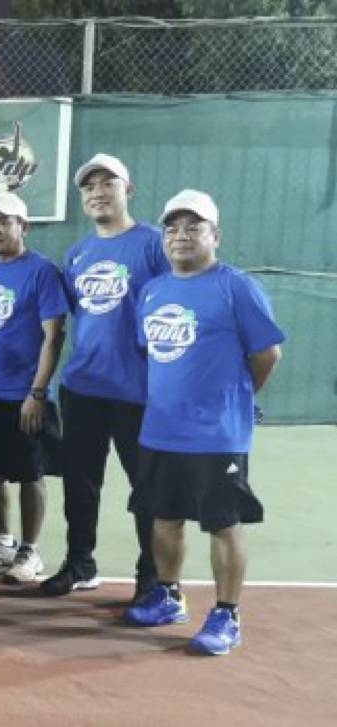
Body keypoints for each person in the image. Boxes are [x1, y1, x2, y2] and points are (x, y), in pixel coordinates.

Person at [124, 190, 284, 656]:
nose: (180, 236)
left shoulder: (236, 286)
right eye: (172, 228)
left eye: (193, 227)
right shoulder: (153, 290)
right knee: (163, 518)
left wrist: (236, 399)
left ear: (215, 235)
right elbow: (150, 353)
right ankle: (168, 596)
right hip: (160, 430)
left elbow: (267, 353)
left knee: (223, 523)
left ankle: (226, 614)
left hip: (216, 436)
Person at [42, 154, 170, 601]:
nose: (97, 192)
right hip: (83, 390)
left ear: (128, 190)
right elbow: (78, 321)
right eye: (89, 186)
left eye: (107, 183)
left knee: (148, 488)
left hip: (141, 394)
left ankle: (151, 577)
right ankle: (80, 564)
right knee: (79, 484)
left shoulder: (155, 243)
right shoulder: (77, 254)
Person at [0, 192, 67, 584]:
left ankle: (30, 550)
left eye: (3, 222)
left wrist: (37, 393)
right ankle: (1, 542)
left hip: (25, 397)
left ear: (24, 226)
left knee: (30, 474)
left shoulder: (42, 271)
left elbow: (53, 336)